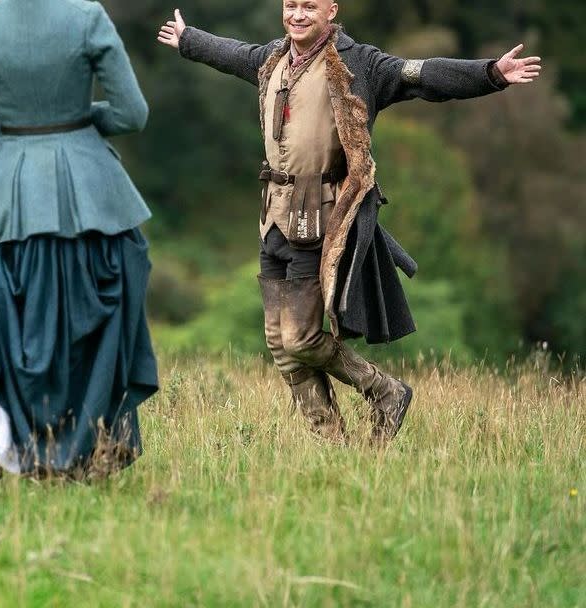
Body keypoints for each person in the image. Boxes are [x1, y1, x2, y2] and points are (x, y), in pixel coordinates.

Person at [157, 2, 541, 444]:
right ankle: (332, 444)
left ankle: (386, 391)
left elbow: (422, 73)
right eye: (290, 5)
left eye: (309, 6)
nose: (297, 14)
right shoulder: (271, 59)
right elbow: (229, 52)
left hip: (323, 217)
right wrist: (188, 39)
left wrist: (490, 73)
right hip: (274, 217)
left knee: (299, 339)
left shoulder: (360, 64)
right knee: (281, 344)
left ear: (330, 10)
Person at [0, 0, 159, 481]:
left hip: (3, 201)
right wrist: (80, 119)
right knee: (91, 331)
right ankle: (84, 449)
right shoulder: (88, 17)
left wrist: (15, 130)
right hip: (92, 193)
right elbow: (132, 114)